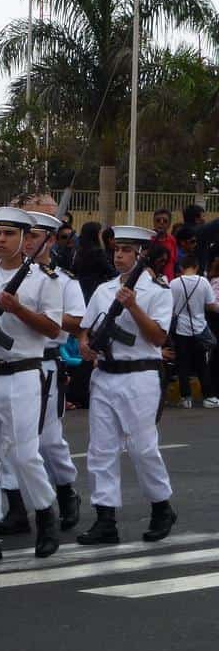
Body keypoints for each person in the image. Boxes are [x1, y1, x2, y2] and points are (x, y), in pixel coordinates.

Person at [0, 207, 62, 562]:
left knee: (24, 454)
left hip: (22, 373)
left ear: (25, 240)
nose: (1, 240)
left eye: (9, 234)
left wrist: (18, 309)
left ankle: (46, 514)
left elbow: (54, 331)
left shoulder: (43, 280)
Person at [77, 225, 177, 545]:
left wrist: (133, 305)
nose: (118, 255)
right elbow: (86, 328)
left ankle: (161, 507)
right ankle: (105, 518)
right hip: (105, 373)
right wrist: (84, 344)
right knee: (101, 449)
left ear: (140, 254)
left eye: (126, 251)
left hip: (140, 375)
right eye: (116, 250)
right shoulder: (105, 290)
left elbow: (159, 337)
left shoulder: (159, 291)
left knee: (142, 447)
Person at [0, 212, 85, 536]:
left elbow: (77, 321)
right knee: (10, 441)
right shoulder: (11, 274)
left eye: (33, 236)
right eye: (26, 235)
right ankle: (17, 507)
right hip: (11, 363)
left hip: (46, 363)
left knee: (48, 441)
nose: (28, 241)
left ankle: (65, 490)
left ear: (47, 240)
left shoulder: (61, 280)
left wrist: (41, 313)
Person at [169, 255, 219, 409]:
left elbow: (170, 308)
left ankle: (186, 399)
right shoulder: (203, 282)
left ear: (181, 268)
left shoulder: (174, 284)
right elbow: (211, 306)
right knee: (201, 364)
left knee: (183, 364)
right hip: (199, 328)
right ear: (196, 266)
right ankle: (209, 397)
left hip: (180, 330)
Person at [72, 221, 114, 303]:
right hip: (95, 291)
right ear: (95, 235)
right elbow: (110, 272)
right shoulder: (97, 252)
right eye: (100, 234)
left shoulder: (78, 250)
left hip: (80, 290)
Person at [151, 209, 177, 281]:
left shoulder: (172, 240)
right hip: (153, 282)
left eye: (165, 221)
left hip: (170, 283)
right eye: (158, 220)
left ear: (169, 224)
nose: (161, 223)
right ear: (153, 222)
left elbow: (174, 262)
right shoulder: (148, 239)